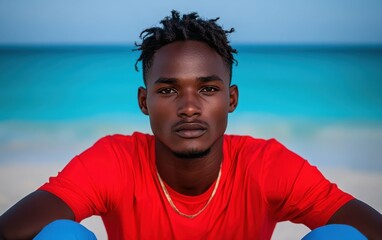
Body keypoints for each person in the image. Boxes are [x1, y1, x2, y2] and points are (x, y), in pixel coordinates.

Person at [0, 10, 381, 240]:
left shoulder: (265, 164)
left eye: (208, 89)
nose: (189, 107)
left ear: (230, 99)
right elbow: (13, 227)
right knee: (61, 234)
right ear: (144, 101)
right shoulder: (115, 159)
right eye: (167, 90)